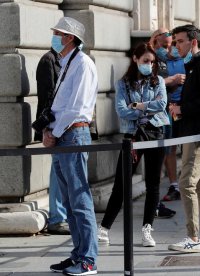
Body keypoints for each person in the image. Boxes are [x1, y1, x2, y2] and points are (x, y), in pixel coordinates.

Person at [97, 43, 170, 247]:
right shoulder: (124, 84)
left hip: (156, 132)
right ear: (135, 59)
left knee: (153, 184)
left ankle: (147, 229)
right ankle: (104, 228)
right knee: (122, 183)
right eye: (146, 61)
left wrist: (137, 106)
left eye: (152, 62)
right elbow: (121, 110)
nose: (149, 65)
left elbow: (161, 105)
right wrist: (146, 109)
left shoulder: (159, 82)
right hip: (133, 135)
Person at [41, 17, 98, 275]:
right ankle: (78, 254)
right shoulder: (66, 63)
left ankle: (88, 260)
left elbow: (75, 108)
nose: (54, 36)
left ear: (70, 38)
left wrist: (54, 131)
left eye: (58, 33)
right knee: (68, 199)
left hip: (73, 134)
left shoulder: (83, 64)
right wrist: (48, 129)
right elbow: (59, 105)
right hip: (64, 134)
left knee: (79, 199)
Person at [168, 24, 200, 253]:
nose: (176, 45)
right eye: (175, 41)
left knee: (186, 182)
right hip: (195, 131)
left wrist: (182, 110)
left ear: (194, 41)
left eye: (180, 41)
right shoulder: (194, 64)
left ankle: (193, 237)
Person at [34, 48, 70, 235]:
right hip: (56, 126)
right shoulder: (49, 60)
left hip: (71, 126)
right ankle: (57, 217)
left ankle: (63, 216)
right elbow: (46, 97)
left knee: (65, 171)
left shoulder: (74, 60)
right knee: (58, 170)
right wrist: (45, 128)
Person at [150, 28, 184, 206]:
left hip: (177, 108)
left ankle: (180, 184)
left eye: (171, 45)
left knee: (177, 147)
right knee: (164, 148)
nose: (168, 49)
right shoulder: (151, 57)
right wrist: (172, 80)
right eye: (164, 45)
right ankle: (168, 188)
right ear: (155, 40)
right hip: (161, 111)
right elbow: (150, 81)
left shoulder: (176, 59)